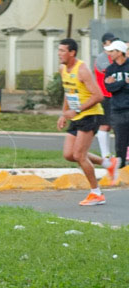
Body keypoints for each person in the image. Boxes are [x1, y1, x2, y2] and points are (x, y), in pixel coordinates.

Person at [58, 38, 107, 206]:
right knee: (69, 155)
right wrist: (64, 114)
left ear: (72, 52)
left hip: (90, 115)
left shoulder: (82, 69)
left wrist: (77, 110)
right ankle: (106, 162)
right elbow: (68, 91)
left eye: (63, 51)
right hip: (76, 116)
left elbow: (98, 96)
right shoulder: (63, 69)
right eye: (59, 50)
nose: (60, 54)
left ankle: (96, 193)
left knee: (79, 155)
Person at [102, 39, 129, 172]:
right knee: (120, 141)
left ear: (119, 52)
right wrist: (124, 82)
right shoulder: (110, 69)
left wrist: (116, 84)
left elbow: (113, 85)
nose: (110, 54)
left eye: (112, 51)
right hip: (117, 110)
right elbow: (109, 88)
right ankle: (122, 168)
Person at [95, 32, 118, 176]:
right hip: (106, 96)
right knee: (105, 125)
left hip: (115, 95)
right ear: (105, 43)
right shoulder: (102, 58)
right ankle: (106, 155)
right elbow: (110, 73)